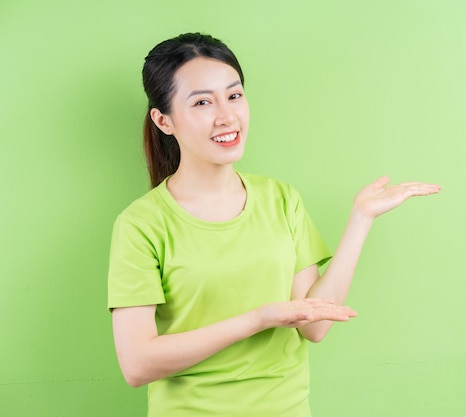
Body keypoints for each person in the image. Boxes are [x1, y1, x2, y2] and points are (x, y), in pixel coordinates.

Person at [108, 32, 441, 417]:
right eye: (202, 102)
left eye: (234, 95)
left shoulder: (280, 199)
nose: (226, 116)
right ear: (163, 120)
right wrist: (257, 319)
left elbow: (314, 327)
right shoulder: (141, 224)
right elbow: (137, 365)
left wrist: (361, 219)